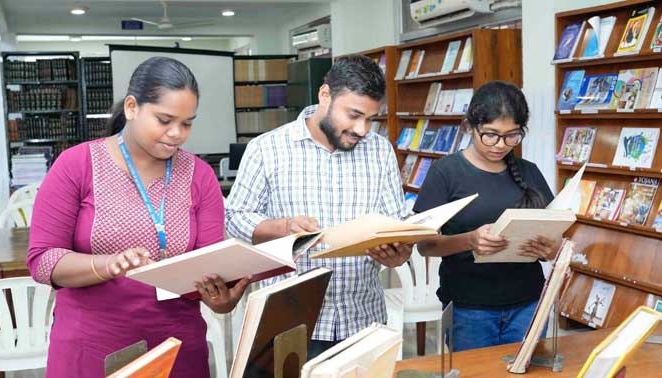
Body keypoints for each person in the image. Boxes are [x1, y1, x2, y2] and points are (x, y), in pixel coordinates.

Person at [26, 57, 249, 377]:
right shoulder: (77, 165)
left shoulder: (200, 175)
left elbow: (208, 265)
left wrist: (222, 299)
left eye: (187, 123)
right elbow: (43, 260)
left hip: (177, 346)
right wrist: (106, 264)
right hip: (92, 346)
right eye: (164, 120)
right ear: (132, 107)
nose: (177, 134)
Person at [225, 55, 412, 358]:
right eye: (353, 115)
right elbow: (235, 217)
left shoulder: (380, 152)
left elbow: (396, 223)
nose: (362, 129)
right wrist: (283, 227)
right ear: (325, 95)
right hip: (289, 321)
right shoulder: (267, 148)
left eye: (371, 118)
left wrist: (399, 252)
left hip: (361, 319)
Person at [414, 80, 559, 352]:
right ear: (469, 127)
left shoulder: (529, 172)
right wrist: (470, 240)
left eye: (512, 135)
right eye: (490, 134)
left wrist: (551, 249)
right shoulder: (445, 172)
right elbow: (425, 246)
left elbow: (554, 237)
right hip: (469, 308)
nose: (500, 145)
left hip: (528, 302)